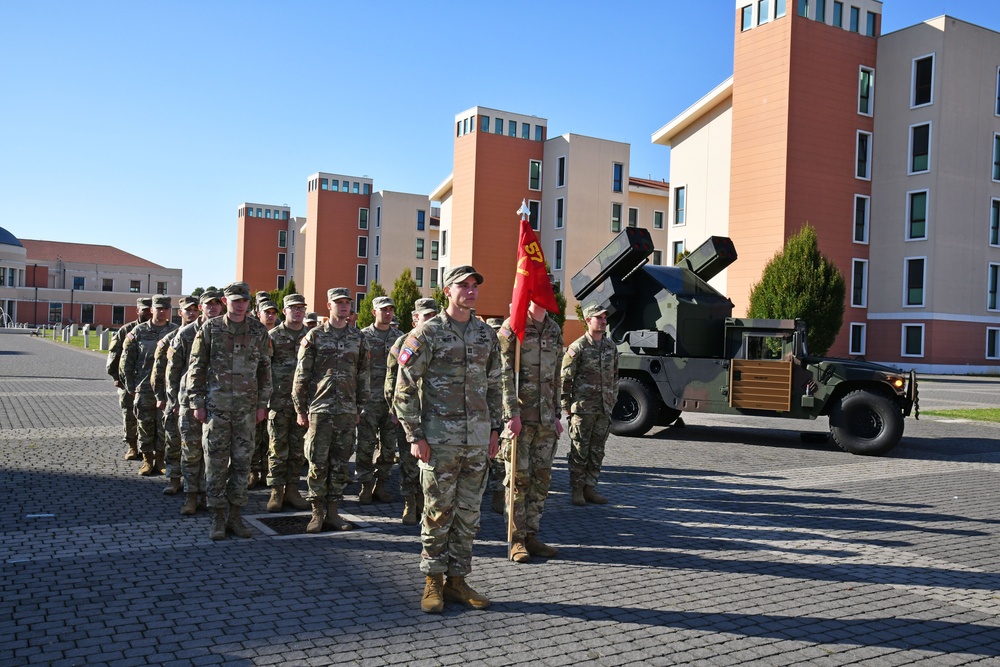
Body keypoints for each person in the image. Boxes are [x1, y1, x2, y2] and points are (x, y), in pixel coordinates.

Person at [394, 266, 502, 613]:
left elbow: (496, 385)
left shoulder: (486, 335)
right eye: (463, 286)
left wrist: (495, 430)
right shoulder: (428, 333)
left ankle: (458, 580)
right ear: (447, 291)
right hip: (439, 440)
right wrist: (415, 435)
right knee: (438, 512)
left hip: (476, 441)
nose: (471, 291)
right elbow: (405, 386)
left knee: (469, 514)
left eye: (474, 286)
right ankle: (432, 580)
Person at [187, 281, 272, 540]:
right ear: (225, 302)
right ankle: (217, 519)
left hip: (246, 411)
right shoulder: (210, 329)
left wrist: (262, 405)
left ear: (249, 302)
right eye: (235, 300)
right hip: (216, 409)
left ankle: (236, 517)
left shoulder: (258, 331)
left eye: (244, 300)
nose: (240, 304)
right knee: (215, 464)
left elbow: (265, 370)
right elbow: (197, 367)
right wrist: (197, 403)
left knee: (242, 465)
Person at [293, 287, 370, 533]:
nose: (344, 306)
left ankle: (334, 513)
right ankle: (316, 513)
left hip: (347, 410)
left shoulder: (358, 338)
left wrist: (359, 407)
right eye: (339, 302)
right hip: (320, 409)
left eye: (347, 302)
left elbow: (363, 374)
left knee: (340, 463)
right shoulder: (314, 336)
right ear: (329, 306)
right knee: (317, 461)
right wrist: (300, 408)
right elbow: (301, 375)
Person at [498, 301, 564, 562]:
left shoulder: (554, 329)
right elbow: (502, 374)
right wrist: (511, 413)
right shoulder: (513, 326)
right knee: (517, 482)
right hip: (520, 419)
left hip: (546, 420)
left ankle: (531, 535)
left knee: (541, 481)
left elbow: (556, 375)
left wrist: (557, 413)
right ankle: (516, 540)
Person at [166, 289, 224, 516]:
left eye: (216, 304)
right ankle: (191, 496)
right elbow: (173, 371)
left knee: (214, 452)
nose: (213, 308)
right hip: (189, 400)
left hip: (217, 401)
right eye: (208, 305)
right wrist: (174, 401)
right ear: (201, 308)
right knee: (191, 450)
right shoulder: (186, 334)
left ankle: (209, 495)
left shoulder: (226, 331)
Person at [385, 296, 438, 525]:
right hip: (410, 416)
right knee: (408, 462)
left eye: (433, 316)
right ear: (415, 318)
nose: (430, 321)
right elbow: (391, 383)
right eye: (426, 316)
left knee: (433, 464)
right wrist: (396, 412)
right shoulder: (404, 343)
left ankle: (428, 506)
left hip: (435, 417)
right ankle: (410, 503)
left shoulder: (441, 340)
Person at [561, 304, 619, 506]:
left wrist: (612, 401)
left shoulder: (611, 347)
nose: (603, 321)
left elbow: (615, 377)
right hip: (582, 409)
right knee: (579, 450)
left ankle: (590, 487)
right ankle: (577, 490)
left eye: (604, 318)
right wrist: (567, 406)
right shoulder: (578, 348)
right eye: (599, 318)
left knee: (597, 451)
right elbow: (566, 380)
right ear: (588, 320)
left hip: (603, 409)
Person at [121, 295, 179, 476]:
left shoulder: (176, 331)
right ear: (152, 310)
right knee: (144, 425)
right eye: (158, 308)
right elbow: (126, 361)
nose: (162, 312)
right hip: (143, 388)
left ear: (170, 311)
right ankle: (147, 460)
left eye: (165, 309)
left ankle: (161, 460)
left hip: (166, 389)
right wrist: (130, 386)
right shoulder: (138, 331)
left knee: (163, 426)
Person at [265, 293, 311, 513]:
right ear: (285, 311)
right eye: (293, 308)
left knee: (297, 450)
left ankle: (292, 489)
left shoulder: (311, 336)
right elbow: (263, 369)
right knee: (277, 448)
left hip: (302, 405)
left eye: (301, 308)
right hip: (279, 402)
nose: (298, 311)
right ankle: (276, 491)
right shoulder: (273, 336)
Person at [151, 295, 200, 495]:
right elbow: (160, 371)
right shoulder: (170, 339)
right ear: (180, 313)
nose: (192, 313)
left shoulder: (207, 333)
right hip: (175, 399)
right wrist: (162, 398)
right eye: (188, 310)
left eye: (195, 309)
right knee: (173, 441)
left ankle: (196, 485)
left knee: (195, 446)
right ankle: (174, 479)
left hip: (195, 400)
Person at [357, 296, 403, 505]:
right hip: (369, 401)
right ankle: (365, 486)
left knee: (388, 447)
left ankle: (381, 485)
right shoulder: (362, 337)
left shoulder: (400, 338)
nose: (388, 313)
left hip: (392, 403)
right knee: (365, 446)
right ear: (374, 312)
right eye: (383, 310)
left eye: (390, 310)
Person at [107, 297, 151, 461]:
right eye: (144, 309)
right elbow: (114, 355)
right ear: (137, 310)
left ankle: (151, 449)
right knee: (129, 414)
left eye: (149, 309)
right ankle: (132, 446)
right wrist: (116, 377)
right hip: (128, 381)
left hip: (149, 382)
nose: (147, 312)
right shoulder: (127, 330)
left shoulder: (160, 328)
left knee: (151, 417)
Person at [249, 299, 280, 489]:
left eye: (273, 313)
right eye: (266, 312)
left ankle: (268, 471)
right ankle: (253, 472)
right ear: (258, 313)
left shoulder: (278, 335)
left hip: (276, 394)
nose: (270, 316)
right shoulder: (252, 334)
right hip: (253, 393)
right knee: (253, 435)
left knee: (271, 438)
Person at [484, 316, 507, 514]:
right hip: (487, 411)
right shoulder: (486, 353)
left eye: (500, 330)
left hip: (506, 411)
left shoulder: (509, 353)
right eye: (495, 330)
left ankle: (499, 494)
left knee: (501, 455)